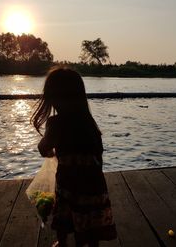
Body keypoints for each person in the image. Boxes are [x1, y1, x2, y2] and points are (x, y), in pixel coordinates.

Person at [31, 67, 117, 247]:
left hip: (69, 184)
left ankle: (62, 243)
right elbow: (98, 154)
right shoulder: (89, 123)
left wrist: (50, 152)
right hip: (94, 185)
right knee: (92, 218)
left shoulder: (56, 124)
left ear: (53, 98)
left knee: (64, 212)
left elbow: (43, 147)